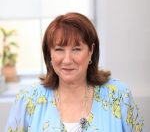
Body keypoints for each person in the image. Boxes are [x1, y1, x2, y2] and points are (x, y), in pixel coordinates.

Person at [5, 12, 145, 132]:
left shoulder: (119, 96)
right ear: (50, 54)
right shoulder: (28, 100)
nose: (67, 60)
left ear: (91, 51)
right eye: (59, 49)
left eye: (76, 49)